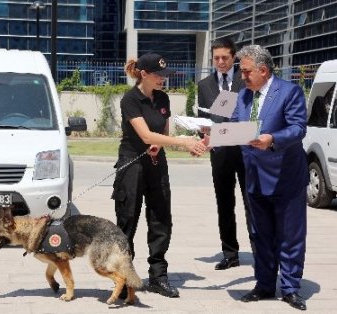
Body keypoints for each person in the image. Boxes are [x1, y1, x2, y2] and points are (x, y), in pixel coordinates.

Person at [111, 52, 207, 299]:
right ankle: (124, 278)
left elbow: (161, 134)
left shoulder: (163, 98)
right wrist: (182, 143)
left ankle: (158, 277)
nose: (163, 79)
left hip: (156, 164)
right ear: (144, 74)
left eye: (165, 75)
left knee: (161, 219)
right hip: (131, 164)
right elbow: (145, 135)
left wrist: (175, 145)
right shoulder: (130, 100)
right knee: (127, 221)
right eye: (159, 75)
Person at [232, 45, 308, 311]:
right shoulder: (243, 96)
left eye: (246, 71)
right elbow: (234, 128)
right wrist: (210, 138)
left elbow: (298, 128)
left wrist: (272, 139)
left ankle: (290, 289)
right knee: (260, 235)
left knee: (289, 236)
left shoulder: (289, 92)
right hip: (254, 176)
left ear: (263, 71)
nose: (242, 76)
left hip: (285, 178)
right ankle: (264, 285)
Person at [197, 37, 255, 270]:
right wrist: (203, 130)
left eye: (225, 58)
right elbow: (206, 120)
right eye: (216, 58)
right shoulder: (204, 86)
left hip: (246, 152)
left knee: (252, 202)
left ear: (234, 58)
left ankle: (260, 251)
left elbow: (252, 116)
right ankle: (230, 253)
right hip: (220, 153)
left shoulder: (247, 80)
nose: (220, 62)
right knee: (224, 202)